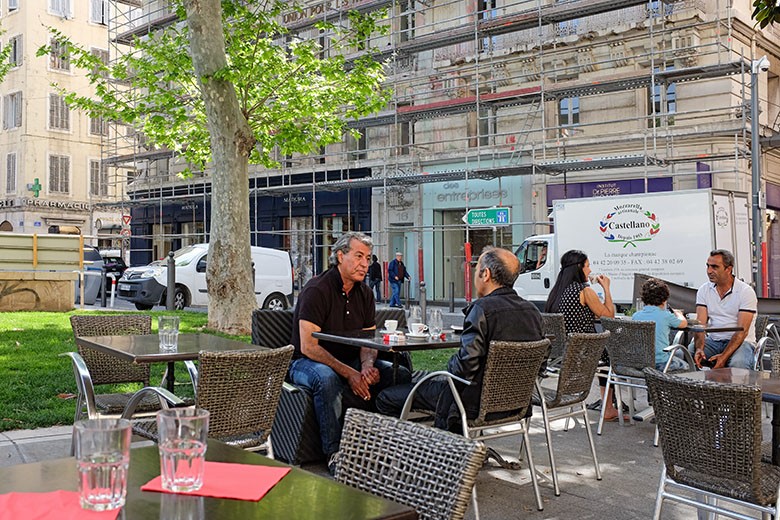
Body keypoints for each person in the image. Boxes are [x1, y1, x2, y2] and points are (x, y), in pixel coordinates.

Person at [376, 247, 544, 431]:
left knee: (386, 398)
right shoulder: (533, 312)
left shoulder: (482, 309)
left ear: (485, 274)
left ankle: (414, 456)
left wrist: (450, 365)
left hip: (470, 404)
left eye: (476, 268)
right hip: (515, 405)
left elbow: (466, 366)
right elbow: (541, 362)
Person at [288, 231, 412, 472]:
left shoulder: (365, 294)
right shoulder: (317, 290)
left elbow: (368, 341)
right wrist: (350, 374)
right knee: (326, 378)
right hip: (305, 363)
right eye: (358, 256)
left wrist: (366, 367)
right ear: (340, 256)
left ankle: (380, 444)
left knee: (399, 374)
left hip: (351, 360)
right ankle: (335, 453)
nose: (365, 263)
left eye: (367, 257)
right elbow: (308, 347)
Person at [545, 250, 623, 421]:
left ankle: (607, 405)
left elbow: (581, 315)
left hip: (561, 355)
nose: (590, 270)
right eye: (587, 266)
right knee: (611, 355)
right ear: (579, 268)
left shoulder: (556, 293)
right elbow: (608, 316)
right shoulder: (585, 291)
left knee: (605, 352)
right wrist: (606, 289)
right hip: (584, 352)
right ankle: (608, 407)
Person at [692, 249, 757, 369]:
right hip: (713, 341)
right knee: (686, 355)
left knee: (737, 364)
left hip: (741, 342)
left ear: (729, 269)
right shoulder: (704, 290)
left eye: (714, 267)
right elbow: (700, 325)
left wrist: (723, 357)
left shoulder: (745, 292)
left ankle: (737, 388)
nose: (709, 271)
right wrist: (699, 348)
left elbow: (742, 332)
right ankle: (694, 388)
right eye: (708, 266)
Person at [632, 278, 689, 371]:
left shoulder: (636, 316)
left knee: (677, 355)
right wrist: (679, 314)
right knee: (688, 366)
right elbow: (684, 324)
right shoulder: (666, 316)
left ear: (643, 299)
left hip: (639, 363)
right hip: (661, 364)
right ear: (664, 300)